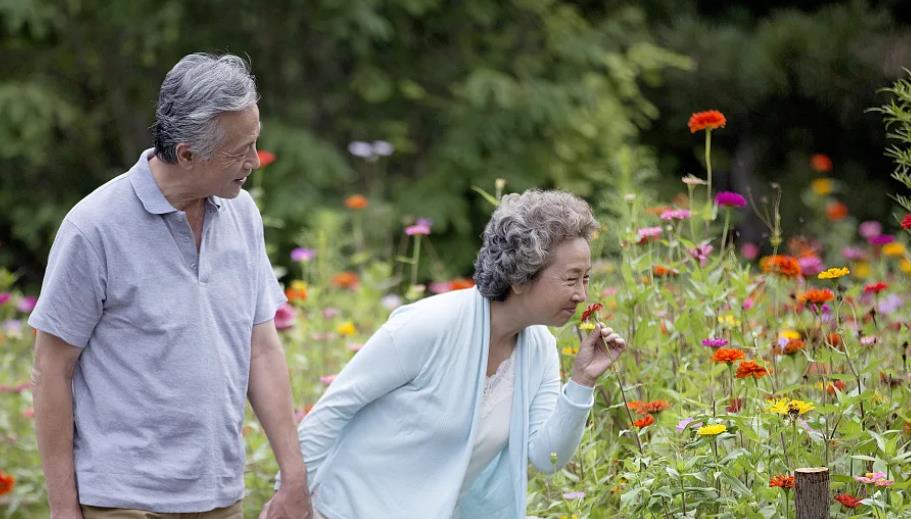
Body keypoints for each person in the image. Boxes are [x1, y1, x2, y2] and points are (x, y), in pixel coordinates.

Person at [29, 53, 312, 518]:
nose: (255, 161)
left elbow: (260, 349)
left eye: (255, 143)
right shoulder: (93, 227)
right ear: (186, 154)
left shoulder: (243, 214)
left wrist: (294, 476)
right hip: (123, 501)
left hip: (220, 497)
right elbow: (50, 369)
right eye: (240, 150)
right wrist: (63, 510)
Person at [273, 190, 626, 519]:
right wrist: (288, 496)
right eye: (571, 279)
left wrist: (582, 381)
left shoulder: (540, 349)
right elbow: (333, 409)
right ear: (521, 277)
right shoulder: (430, 324)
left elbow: (547, 457)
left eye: (587, 279)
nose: (582, 294)